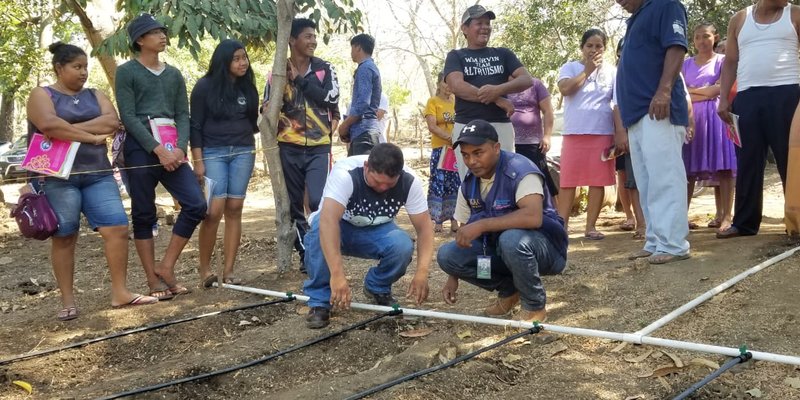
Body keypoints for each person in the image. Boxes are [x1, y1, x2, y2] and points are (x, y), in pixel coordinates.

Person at [26, 42, 158, 320]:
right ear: (59, 68)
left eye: (86, 67)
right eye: (77, 67)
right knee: (65, 236)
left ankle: (120, 292)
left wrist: (68, 130)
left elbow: (111, 123)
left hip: (98, 175)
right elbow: (47, 124)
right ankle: (67, 300)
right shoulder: (41, 94)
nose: (84, 72)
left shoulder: (96, 94)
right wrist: (89, 136)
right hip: (59, 178)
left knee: (118, 228)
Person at [437, 120, 567, 323]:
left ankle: (534, 307)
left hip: (546, 249)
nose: (471, 161)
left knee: (511, 239)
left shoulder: (521, 170)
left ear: (496, 148)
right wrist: (453, 275)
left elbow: (533, 216)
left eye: (478, 153)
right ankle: (510, 290)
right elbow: (465, 236)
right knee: (447, 255)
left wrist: (481, 225)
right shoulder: (469, 183)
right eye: (465, 155)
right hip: (501, 250)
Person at [116, 13, 207, 299]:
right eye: (154, 32)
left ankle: (166, 266)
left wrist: (179, 147)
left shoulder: (174, 74)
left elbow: (182, 113)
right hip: (140, 149)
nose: (162, 36)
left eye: (163, 31)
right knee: (144, 213)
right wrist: (156, 149)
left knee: (195, 204)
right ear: (140, 40)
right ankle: (152, 281)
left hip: (173, 149)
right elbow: (128, 116)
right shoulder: (126, 72)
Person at [302, 143, 433, 328]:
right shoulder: (346, 174)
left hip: (377, 231)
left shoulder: (409, 181)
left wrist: (422, 272)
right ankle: (319, 301)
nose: (382, 188)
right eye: (377, 181)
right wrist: (338, 275)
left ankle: (377, 287)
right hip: (339, 227)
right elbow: (328, 222)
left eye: (389, 184)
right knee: (317, 230)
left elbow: (425, 228)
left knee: (402, 245)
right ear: (366, 167)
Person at [616, 0, 691, 264]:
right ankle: (656, 240)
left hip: (658, 108)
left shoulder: (666, 5)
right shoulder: (636, 18)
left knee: (665, 177)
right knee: (646, 182)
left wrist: (664, 90)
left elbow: (676, 46)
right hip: (637, 113)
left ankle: (673, 244)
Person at [717, 0, 800, 239]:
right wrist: (723, 98)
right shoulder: (739, 19)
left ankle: (796, 222)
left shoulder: (794, 14)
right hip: (747, 97)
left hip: (787, 95)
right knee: (748, 160)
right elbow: (730, 61)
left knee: (791, 159)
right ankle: (744, 224)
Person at [263, 18, 340, 272]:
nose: (313, 41)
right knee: (295, 204)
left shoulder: (325, 69)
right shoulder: (277, 72)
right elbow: (267, 106)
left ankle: (321, 248)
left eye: (314, 36)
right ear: (292, 40)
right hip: (289, 146)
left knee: (318, 200)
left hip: (319, 145)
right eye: (307, 36)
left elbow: (332, 98)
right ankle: (306, 256)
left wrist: (301, 81)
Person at [191, 39, 259, 286]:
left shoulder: (248, 89)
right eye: (236, 59)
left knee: (234, 209)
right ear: (224, 61)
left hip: (243, 151)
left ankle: (229, 272)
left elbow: (253, 123)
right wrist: (198, 161)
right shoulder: (204, 87)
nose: (243, 63)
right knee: (213, 210)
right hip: (213, 151)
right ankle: (205, 269)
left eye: (244, 57)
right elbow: (195, 126)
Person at [443, 4, 533, 179]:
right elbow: (456, 86)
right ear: (465, 28)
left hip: (500, 125)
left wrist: (498, 90)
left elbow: (526, 79)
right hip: (467, 126)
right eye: (479, 23)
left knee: (507, 178)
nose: (485, 27)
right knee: (471, 180)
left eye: (487, 23)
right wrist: (498, 99)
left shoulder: (503, 54)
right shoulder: (456, 56)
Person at [556, 28, 617, 240]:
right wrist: (587, 70)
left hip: (602, 132)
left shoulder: (612, 71)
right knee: (568, 181)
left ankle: (590, 227)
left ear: (605, 48)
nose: (593, 50)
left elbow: (616, 103)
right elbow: (565, 89)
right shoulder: (570, 67)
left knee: (597, 181)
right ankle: (561, 226)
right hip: (574, 133)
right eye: (589, 45)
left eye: (598, 46)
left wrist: (619, 134)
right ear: (582, 48)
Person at [682, 23, 736, 232]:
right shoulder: (685, 64)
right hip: (691, 119)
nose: (701, 41)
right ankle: (681, 217)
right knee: (687, 170)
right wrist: (706, 91)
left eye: (705, 36)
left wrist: (695, 91)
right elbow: (681, 92)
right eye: (697, 37)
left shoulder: (723, 61)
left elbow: (719, 90)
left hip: (718, 119)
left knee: (724, 167)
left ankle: (726, 216)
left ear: (715, 37)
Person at [612, 38, 646, 239]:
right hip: (631, 130)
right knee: (634, 179)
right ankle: (641, 224)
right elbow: (617, 104)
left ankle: (659, 224)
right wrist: (621, 131)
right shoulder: (620, 75)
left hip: (656, 128)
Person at [508, 76, 558, 205]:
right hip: (509, 142)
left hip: (533, 143)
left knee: (543, 179)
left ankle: (555, 217)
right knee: (513, 182)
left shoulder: (535, 84)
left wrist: (547, 136)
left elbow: (548, 111)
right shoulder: (501, 85)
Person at [424, 73, 460, 233]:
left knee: (455, 183)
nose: (448, 87)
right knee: (439, 182)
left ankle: (454, 220)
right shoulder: (432, 102)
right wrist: (448, 137)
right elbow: (432, 126)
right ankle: (438, 221)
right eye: (445, 83)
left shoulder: (456, 102)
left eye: (451, 84)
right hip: (440, 150)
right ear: (439, 84)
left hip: (455, 150)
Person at [338, 33, 381, 156]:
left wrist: (344, 126)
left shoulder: (365, 68)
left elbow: (362, 104)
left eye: (352, 48)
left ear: (358, 47)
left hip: (364, 133)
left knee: (362, 173)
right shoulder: (370, 67)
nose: (351, 52)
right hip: (364, 132)